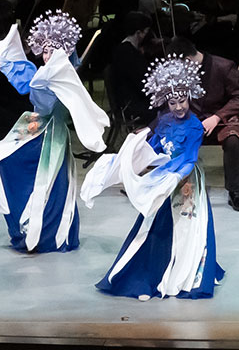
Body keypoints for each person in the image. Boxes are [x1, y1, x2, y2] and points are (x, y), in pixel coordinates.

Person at [81, 55, 228, 300]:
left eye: (182, 101)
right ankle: (150, 273)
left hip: (186, 181)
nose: (179, 107)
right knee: (153, 227)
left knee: (189, 227)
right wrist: (135, 152)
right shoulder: (164, 120)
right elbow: (155, 148)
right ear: (166, 102)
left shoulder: (195, 126)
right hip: (165, 178)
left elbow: (189, 159)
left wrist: (173, 178)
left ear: (190, 97)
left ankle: (186, 271)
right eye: (173, 102)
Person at [0, 10, 111, 254]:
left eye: (53, 52)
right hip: (34, 127)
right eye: (45, 51)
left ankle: (45, 233)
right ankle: (26, 226)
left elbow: (47, 103)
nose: (47, 56)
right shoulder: (45, 74)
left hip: (51, 135)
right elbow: (26, 79)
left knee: (48, 182)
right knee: (0, 158)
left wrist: (41, 82)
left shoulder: (63, 77)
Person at [165, 37, 239, 212]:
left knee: (232, 141)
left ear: (187, 60)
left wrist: (217, 117)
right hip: (194, 118)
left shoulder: (224, 66)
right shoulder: (181, 71)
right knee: (168, 135)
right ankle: (168, 185)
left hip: (223, 119)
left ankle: (235, 192)